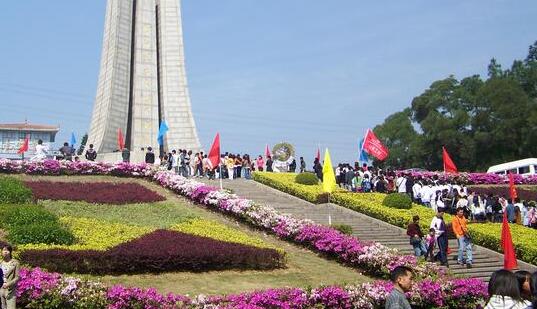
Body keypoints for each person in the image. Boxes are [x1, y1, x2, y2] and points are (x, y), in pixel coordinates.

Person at [0, 245, 19, 309]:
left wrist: (9, 284)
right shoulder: (0, 263)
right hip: (1, 290)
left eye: (7, 250)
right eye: (4, 250)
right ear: (1, 252)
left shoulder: (15, 263)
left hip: (10, 291)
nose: (5, 252)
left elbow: (17, 277)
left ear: (10, 252)